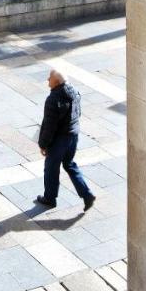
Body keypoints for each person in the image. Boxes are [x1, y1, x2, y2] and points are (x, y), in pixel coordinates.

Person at [34, 69, 95, 211]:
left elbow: (49, 126)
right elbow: (78, 113)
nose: (47, 79)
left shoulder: (53, 99)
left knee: (51, 168)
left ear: (56, 82)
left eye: (50, 77)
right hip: (73, 136)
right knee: (69, 164)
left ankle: (49, 198)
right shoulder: (74, 92)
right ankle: (87, 194)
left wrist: (43, 144)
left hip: (59, 140)